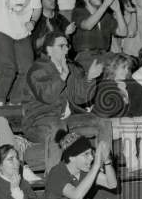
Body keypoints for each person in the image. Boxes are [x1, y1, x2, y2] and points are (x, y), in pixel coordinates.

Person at [21, 30, 111, 170]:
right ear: (49, 49)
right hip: (38, 121)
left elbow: (80, 97)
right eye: (61, 46)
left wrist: (89, 78)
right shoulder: (37, 69)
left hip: (66, 120)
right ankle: (54, 176)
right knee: (58, 126)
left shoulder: (70, 68)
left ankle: (103, 167)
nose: (66, 49)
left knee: (103, 121)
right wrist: (62, 76)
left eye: (67, 46)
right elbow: (47, 96)